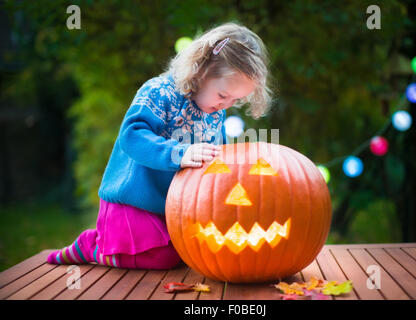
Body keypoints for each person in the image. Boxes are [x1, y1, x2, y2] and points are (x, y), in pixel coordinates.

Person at [47, 22, 273, 270]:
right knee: (161, 258)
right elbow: (132, 136)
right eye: (222, 95)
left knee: (196, 252)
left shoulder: (215, 112)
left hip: (173, 207)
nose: (225, 104)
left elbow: (216, 159)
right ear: (202, 71)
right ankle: (94, 246)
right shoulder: (160, 92)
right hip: (133, 201)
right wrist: (180, 153)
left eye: (235, 100)